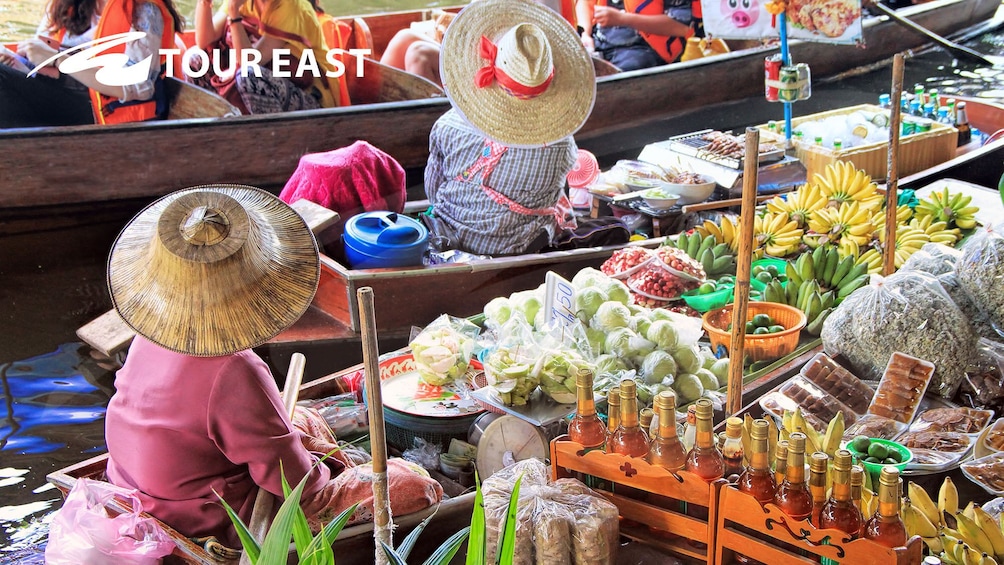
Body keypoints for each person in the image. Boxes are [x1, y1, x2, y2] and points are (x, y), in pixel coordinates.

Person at [103, 185, 442, 549]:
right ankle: (347, 473)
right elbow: (292, 481)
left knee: (306, 419)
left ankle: (339, 465)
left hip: (134, 481)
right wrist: (323, 477)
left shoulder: (154, 331)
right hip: (205, 515)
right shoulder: (235, 369)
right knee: (413, 486)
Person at [424, 0, 629, 257]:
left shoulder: (447, 124)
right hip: (519, 248)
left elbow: (433, 192)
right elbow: (552, 196)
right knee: (616, 227)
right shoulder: (561, 144)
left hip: (450, 240)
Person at [0, 0, 184, 128]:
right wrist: (18, 63)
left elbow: (138, 86)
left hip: (107, 117)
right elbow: (47, 63)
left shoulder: (145, 11)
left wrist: (58, 59)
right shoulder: (67, 5)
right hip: (64, 95)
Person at [193, 0, 349, 114]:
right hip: (270, 84)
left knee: (250, 75)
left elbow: (249, 60)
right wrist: (205, 3)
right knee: (196, 60)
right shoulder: (246, 2)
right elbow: (204, 41)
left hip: (314, 102)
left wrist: (234, 15)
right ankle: (219, 130)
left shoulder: (292, 6)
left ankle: (271, 140)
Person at [379, 0, 577, 87]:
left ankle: (428, 132)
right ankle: (381, 114)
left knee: (418, 53)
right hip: (478, 49)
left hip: (512, 66)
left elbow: (546, 41)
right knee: (403, 39)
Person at [577, 0, 703, 71]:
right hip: (598, 41)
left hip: (644, 49)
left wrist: (623, 19)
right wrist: (585, 34)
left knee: (619, 77)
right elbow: (585, 3)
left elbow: (682, 27)